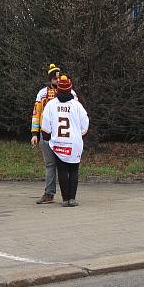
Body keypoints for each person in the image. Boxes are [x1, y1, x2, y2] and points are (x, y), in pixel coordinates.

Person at [30, 64, 79, 204]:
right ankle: (49, 193)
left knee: (66, 165)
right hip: (46, 134)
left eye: (59, 78)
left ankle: (69, 196)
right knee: (50, 165)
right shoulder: (42, 93)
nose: (57, 80)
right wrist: (34, 133)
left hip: (64, 136)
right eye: (54, 78)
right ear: (50, 79)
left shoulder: (72, 94)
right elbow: (36, 113)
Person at [41, 75, 89, 207]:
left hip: (58, 144)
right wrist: (80, 136)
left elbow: (45, 128)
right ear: (70, 89)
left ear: (58, 90)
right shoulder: (77, 106)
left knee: (62, 170)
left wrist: (47, 138)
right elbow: (85, 124)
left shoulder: (51, 105)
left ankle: (65, 199)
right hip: (74, 144)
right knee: (73, 170)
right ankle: (72, 199)